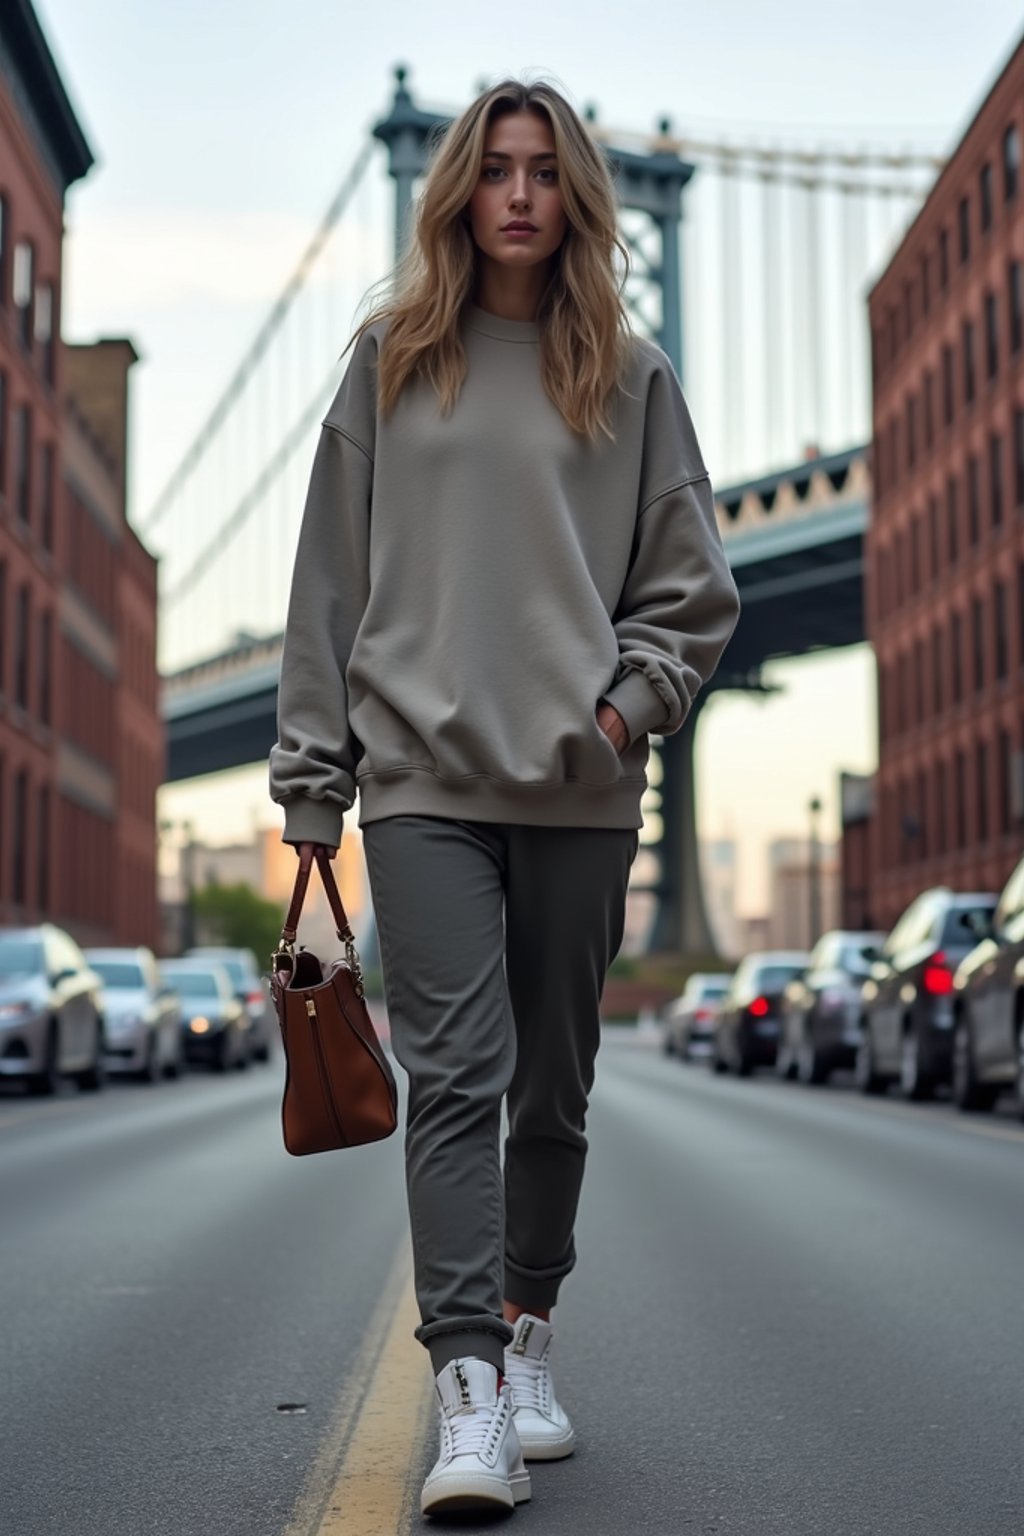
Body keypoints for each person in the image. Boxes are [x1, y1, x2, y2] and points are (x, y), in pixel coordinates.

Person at [269, 75, 741, 1520]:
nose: (521, 193)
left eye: (546, 171)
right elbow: (327, 590)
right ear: (460, 192)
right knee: (455, 1081)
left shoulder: (633, 372)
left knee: (556, 1090)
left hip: (581, 788)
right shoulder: (392, 364)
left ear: (576, 197)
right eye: (497, 169)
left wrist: (624, 710)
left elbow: (692, 589)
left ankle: (531, 1335)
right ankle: (466, 1383)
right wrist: (311, 787)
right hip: (421, 786)